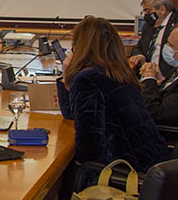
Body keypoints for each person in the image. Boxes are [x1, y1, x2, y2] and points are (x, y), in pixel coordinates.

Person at [56, 16, 169, 173]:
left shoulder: (88, 79)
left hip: (126, 168)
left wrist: (82, 172)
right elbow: (72, 113)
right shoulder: (120, 72)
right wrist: (66, 75)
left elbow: (90, 142)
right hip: (151, 161)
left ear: (80, 47)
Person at [129, 0, 178, 79]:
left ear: (162, 9)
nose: (146, 15)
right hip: (146, 74)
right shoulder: (148, 26)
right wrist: (140, 56)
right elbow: (138, 47)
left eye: (148, 11)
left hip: (168, 77)